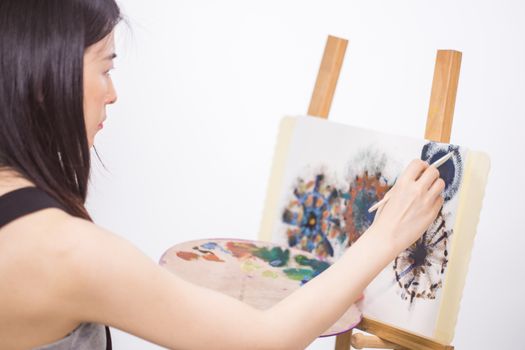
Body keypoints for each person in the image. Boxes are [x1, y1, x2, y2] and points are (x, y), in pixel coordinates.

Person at [0, 1, 445, 349]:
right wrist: (386, 236)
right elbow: (265, 339)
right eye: (105, 67)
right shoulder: (66, 251)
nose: (113, 94)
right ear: (45, 80)